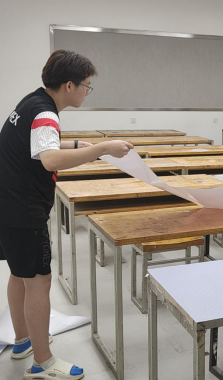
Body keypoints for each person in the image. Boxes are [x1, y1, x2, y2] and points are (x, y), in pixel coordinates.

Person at [0, 50, 134, 380]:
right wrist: (103, 148)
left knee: (20, 273)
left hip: (9, 205)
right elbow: (49, 159)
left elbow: (40, 146)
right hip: (24, 211)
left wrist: (77, 145)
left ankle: (22, 341)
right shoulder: (46, 112)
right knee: (39, 281)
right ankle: (43, 363)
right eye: (87, 85)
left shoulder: (31, 102)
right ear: (70, 85)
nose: (88, 91)